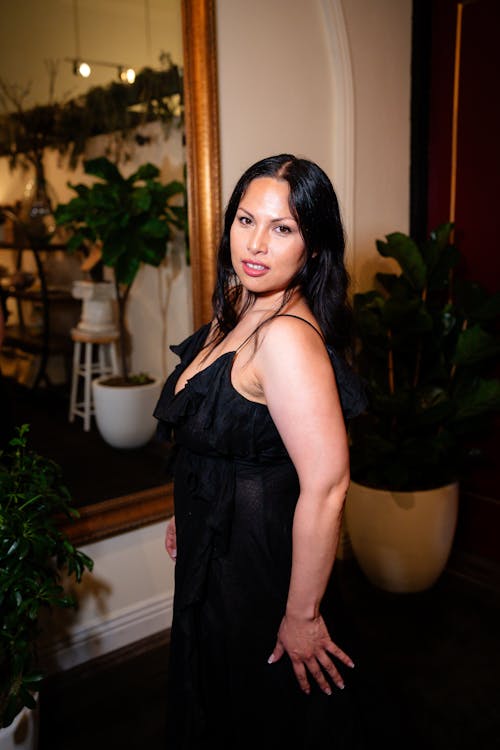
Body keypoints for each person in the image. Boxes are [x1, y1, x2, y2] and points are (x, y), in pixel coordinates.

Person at [154, 154, 367, 749]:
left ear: (315, 246)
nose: (256, 243)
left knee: (260, 721)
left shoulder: (287, 339)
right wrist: (189, 508)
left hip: (258, 572)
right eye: (246, 220)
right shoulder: (242, 305)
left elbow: (327, 487)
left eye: (283, 228)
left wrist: (301, 615)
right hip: (218, 552)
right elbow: (219, 432)